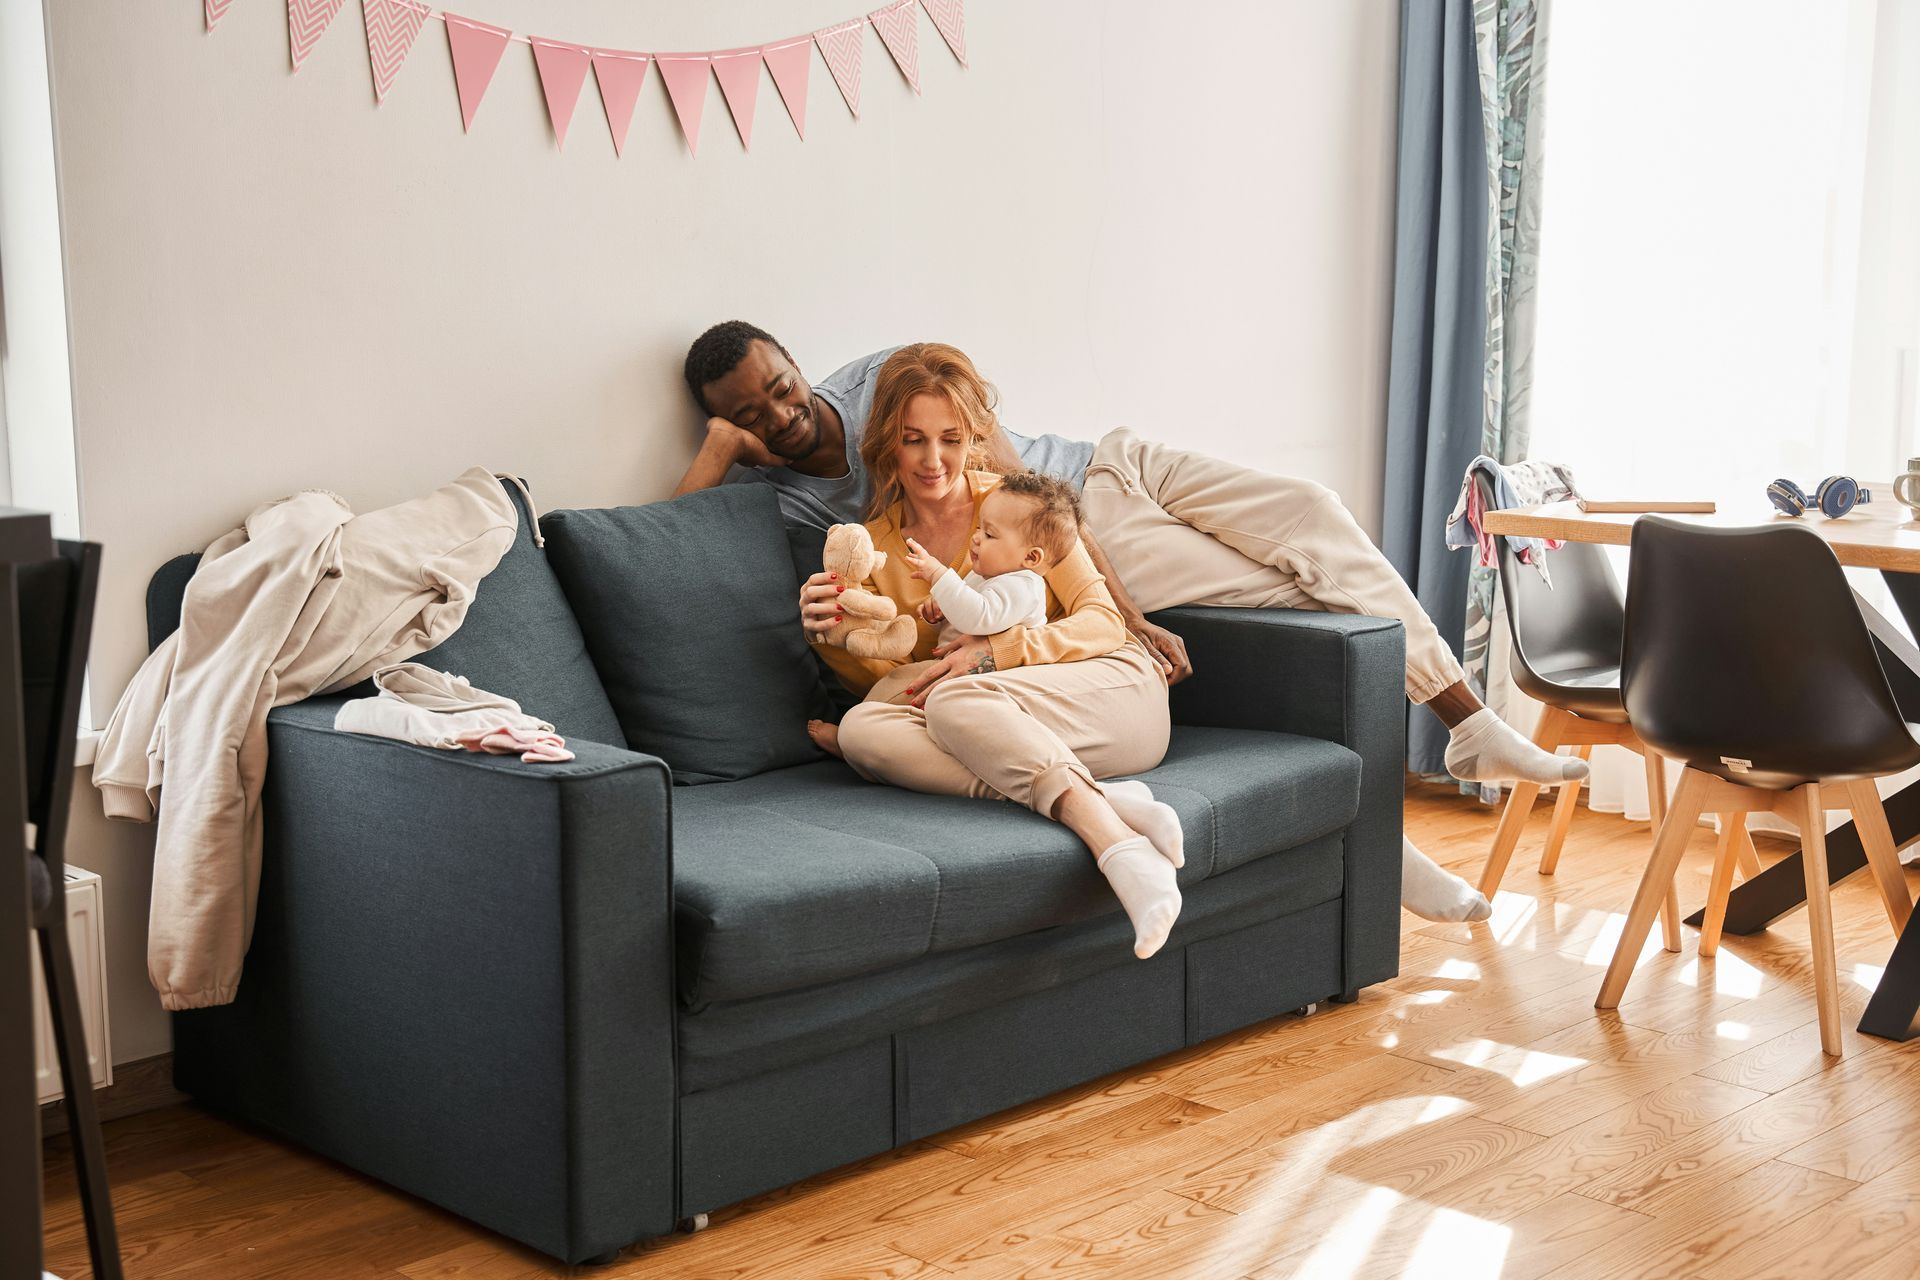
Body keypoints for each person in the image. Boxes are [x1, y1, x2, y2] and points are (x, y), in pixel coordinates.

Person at [673, 322, 1551, 922]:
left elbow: (1034, 506)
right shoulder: (794, 503)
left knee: (1310, 512)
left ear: (797, 364)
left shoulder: (889, 381)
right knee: (1300, 589)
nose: (778, 417)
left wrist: (1135, 621)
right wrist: (718, 451)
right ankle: (1389, 832)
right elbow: (668, 540)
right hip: (1060, 551)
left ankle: (1465, 721)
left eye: (780, 389)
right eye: (748, 415)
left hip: (1101, 478)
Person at [795, 343, 1189, 959]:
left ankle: (1116, 844)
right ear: (885, 443)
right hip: (1000, 725)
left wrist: (995, 654)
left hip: (1107, 692)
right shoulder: (867, 547)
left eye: (950, 438)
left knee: (951, 702)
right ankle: (1109, 801)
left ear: (973, 436)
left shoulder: (1019, 503)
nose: (934, 460)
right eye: (913, 439)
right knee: (865, 729)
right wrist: (830, 634)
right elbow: (896, 679)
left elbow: (1102, 623)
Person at [813, 469, 1080, 715]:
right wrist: (940, 611)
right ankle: (864, 731)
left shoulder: (1023, 586)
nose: (976, 538)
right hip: (958, 674)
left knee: (890, 700)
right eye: (979, 528)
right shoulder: (990, 573)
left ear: (1031, 557)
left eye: (990, 534)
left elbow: (979, 616)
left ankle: (859, 734)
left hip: (994, 682)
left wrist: (938, 575)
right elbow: (969, 607)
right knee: (892, 691)